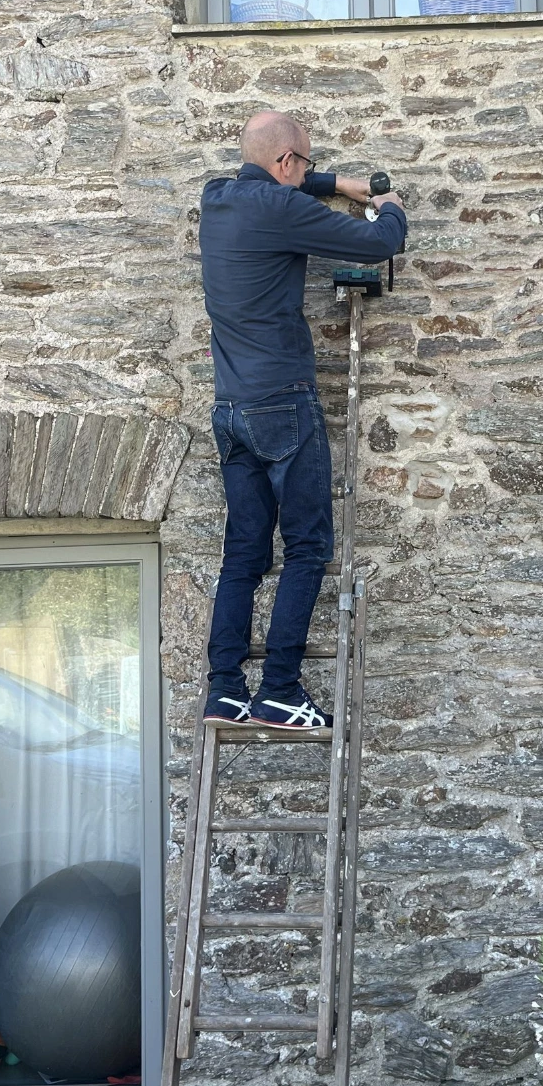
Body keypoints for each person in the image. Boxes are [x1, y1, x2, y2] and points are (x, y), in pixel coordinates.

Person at [199, 111, 406, 729]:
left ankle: (225, 690)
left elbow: (272, 179)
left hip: (229, 409)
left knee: (244, 554)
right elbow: (379, 244)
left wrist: (335, 183)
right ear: (287, 161)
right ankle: (281, 690)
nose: (307, 173)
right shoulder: (281, 208)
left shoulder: (216, 198)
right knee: (308, 547)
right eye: (305, 162)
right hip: (282, 404)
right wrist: (389, 205)